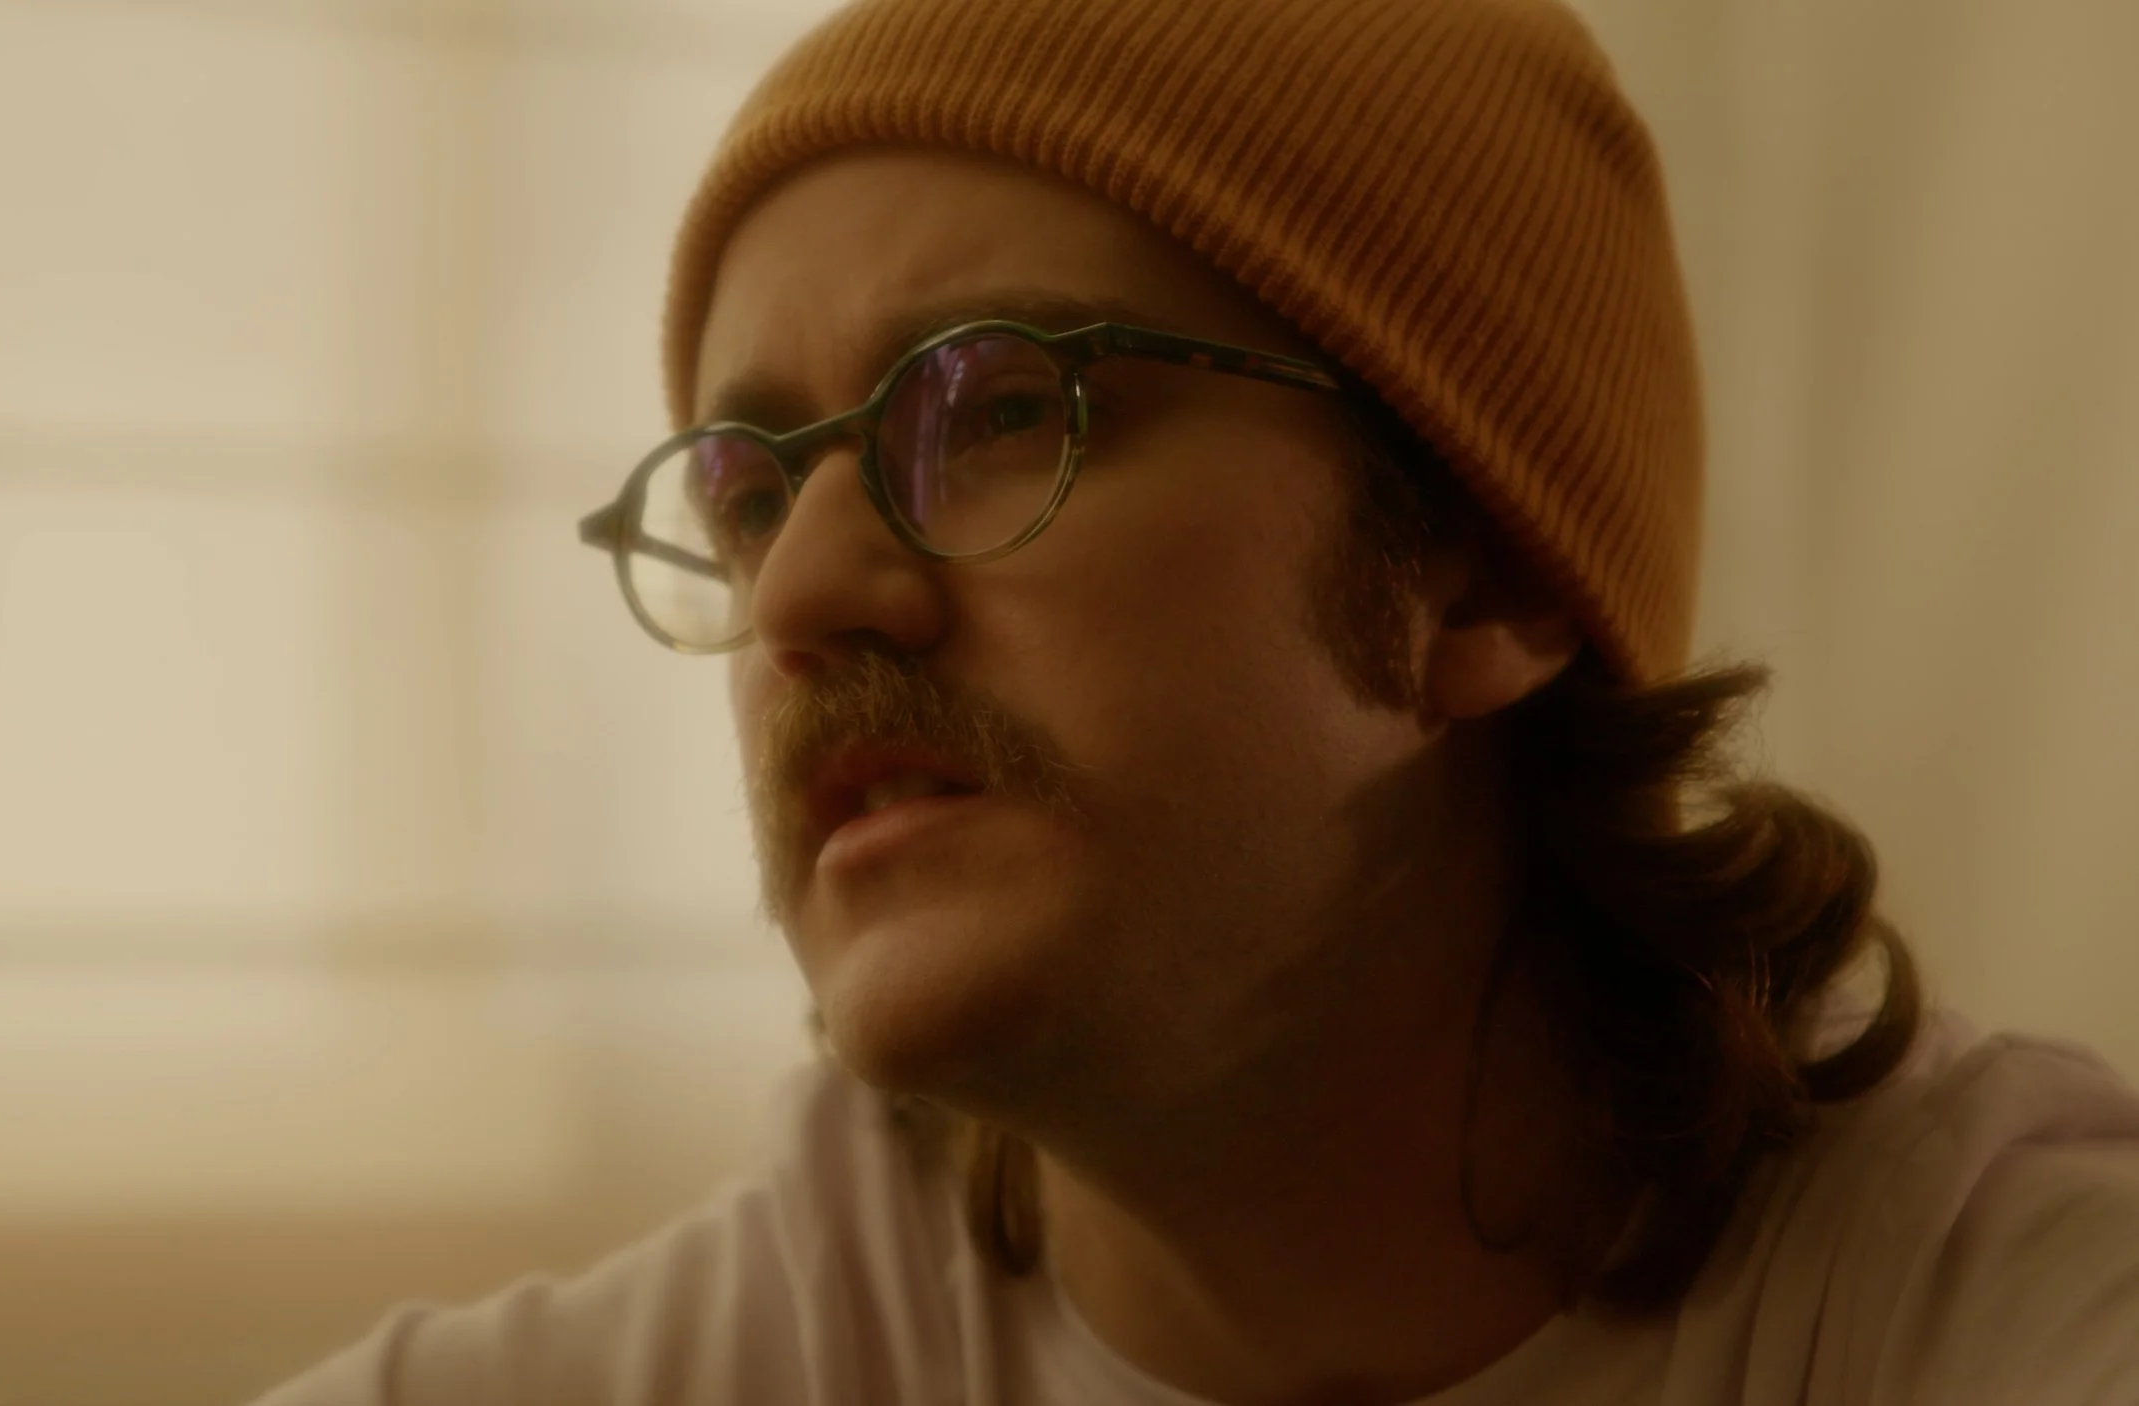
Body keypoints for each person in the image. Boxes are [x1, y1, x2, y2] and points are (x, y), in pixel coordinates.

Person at [256, 0, 2139, 1401]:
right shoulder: (784, 1342)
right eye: (750, 495)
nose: (804, 598)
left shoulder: (1983, 1306)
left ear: (1478, 574)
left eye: (995, 407)